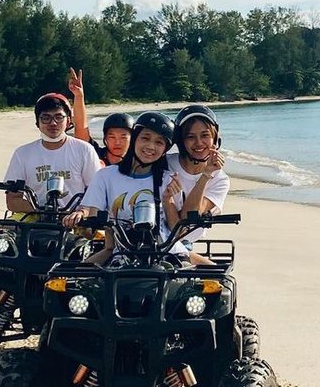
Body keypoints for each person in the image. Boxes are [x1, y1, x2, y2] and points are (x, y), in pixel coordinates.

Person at [80, 111, 176, 262]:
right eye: (145, 138)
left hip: (166, 254)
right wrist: (90, 222)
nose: (151, 146)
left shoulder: (169, 180)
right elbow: (91, 227)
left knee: (218, 280)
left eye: (159, 142)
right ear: (134, 139)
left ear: (165, 150)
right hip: (121, 255)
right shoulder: (105, 176)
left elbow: (178, 229)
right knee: (69, 280)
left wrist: (168, 201)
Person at [3, 93, 102, 225]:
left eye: (59, 117)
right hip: (36, 218)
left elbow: (97, 193)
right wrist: (40, 212)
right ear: (37, 122)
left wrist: (82, 212)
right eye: (45, 118)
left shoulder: (84, 150)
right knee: (1, 236)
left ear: (68, 121)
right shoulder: (23, 153)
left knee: (97, 241)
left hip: (75, 220)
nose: (53, 123)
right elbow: (13, 198)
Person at [161, 105, 231, 266]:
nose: (199, 143)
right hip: (155, 237)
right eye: (190, 137)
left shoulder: (219, 180)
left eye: (205, 135)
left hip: (184, 242)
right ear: (180, 140)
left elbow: (188, 218)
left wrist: (206, 175)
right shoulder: (164, 164)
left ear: (214, 138)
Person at [67, 67, 133, 166]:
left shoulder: (137, 163)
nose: (117, 142)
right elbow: (81, 130)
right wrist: (79, 96)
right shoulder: (96, 155)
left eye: (123, 137)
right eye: (112, 137)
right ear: (105, 138)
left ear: (132, 138)